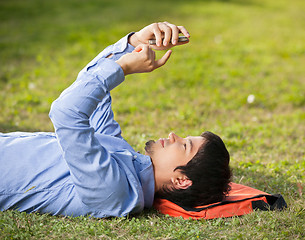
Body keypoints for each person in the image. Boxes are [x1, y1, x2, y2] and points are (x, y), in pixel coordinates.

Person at [0, 22, 231, 218]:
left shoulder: (115, 190)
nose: (173, 135)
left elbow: (66, 113)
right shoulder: (123, 155)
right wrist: (136, 41)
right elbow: (91, 90)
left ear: (181, 181)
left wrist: (122, 68)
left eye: (184, 144)